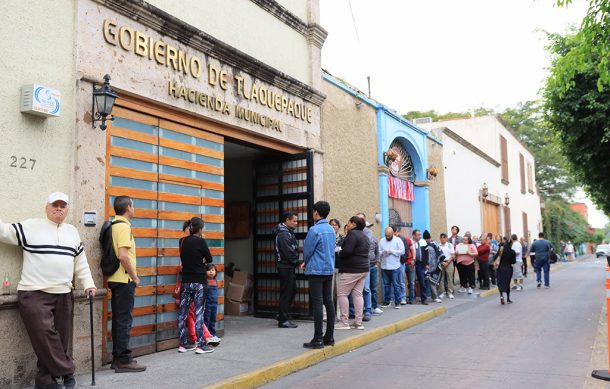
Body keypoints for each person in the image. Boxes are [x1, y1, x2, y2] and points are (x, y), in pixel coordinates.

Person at [0, 192, 97, 389]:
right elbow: (3, 231)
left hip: (63, 292)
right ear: (47, 207)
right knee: (45, 335)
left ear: (67, 209)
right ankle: (67, 370)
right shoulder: (32, 226)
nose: (59, 208)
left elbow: (81, 262)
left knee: (59, 340)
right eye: (55, 205)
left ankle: (45, 382)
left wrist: (89, 283)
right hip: (33, 292)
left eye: (63, 205)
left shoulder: (72, 232)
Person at [107, 196, 147, 372]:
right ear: (128, 207)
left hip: (116, 279)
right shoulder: (123, 227)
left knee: (119, 320)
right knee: (124, 320)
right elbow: (123, 256)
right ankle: (123, 360)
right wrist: (135, 277)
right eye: (133, 205)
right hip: (124, 279)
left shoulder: (114, 225)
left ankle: (117, 358)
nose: (134, 208)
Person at [177, 216, 214, 354]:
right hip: (199, 281)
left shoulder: (182, 241)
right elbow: (209, 258)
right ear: (200, 229)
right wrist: (200, 260)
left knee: (182, 313)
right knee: (199, 312)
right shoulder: (201, 242)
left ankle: (183, 344)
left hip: (186, 281)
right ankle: (200, 345)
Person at [303, 201, 336, 349]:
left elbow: (308, 250)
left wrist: (305, 262)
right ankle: (329, 336)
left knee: (317, 303)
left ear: (316, 212)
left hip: (316, 270)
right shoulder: (330, 229)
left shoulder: (314, 230)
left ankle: (317, 338)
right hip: (328, 269)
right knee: (328, 301)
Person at [336, 216, 370, 330]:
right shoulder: (364, 235)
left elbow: (348, 250)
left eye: (349, 223)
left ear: (353, 224)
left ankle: (344, 322)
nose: (347, 225)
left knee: (342, 294)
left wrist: (340, 252)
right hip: (363, 269)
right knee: (357, 295)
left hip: (351, 269)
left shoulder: (352, 234)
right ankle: (358, 322)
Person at [274, 212, 300, 329]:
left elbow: (292, 248)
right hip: (285, 266)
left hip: (288, 266)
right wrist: (297, 262)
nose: (296, 223)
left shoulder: (287, 232)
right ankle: (283, 320)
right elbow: (288, 252)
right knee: (287, 293)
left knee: (292, 290)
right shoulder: (284, 233)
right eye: (294, 221)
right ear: (287, 220)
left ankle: (282, 314)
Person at [380, 227, 405, 308]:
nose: (387, 237)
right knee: (386, 285)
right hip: (384, 266)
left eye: (389, 235)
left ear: (392, 233)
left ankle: (397, 302)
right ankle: (387, 301)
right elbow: (379, 252)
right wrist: (383, 252)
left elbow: (402, 251)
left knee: (396, 285)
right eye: (386, 235)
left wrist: (392, 251)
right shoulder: (382, 240)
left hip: (395, 266)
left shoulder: (398, 240)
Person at [396, 228, 416, 304]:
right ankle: (402, 298)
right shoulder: (393, 241)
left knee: (411, 282)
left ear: (398, 232)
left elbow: (412, 250)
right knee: (401, 281)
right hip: (401, 264)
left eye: (395, 233)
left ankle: (412, 298)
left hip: (410, 263)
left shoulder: (407, 240)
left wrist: (413, 259)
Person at [421, 230, 442, 303]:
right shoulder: (422, 244)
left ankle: (435, 297)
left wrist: (440, 262)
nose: (427, 240)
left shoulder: (434, 244)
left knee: (433, 282)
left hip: (434, 266)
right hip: (423, 266)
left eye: (428, 238)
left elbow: (440, 253)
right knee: (423, 282)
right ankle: (424, 298)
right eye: (426, 239)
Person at [494, 238, 516, 305]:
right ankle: (508, 299)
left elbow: (495, 257)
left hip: (500, 269)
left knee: (500, 282)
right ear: (511, 244)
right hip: (508, 269)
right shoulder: (512, 251)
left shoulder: (501, 250)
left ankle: (501, 296)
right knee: (507, 283)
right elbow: (513, 262)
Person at [392, 226, 411, 305]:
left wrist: (402, 261)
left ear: (396, 232)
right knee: (394, 281)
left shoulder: (402, 239)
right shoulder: (389, 240)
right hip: (392, 264)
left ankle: (403, 298)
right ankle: (395, 298)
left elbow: (406, 251)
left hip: (400, 263)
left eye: (392, 232)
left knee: (401, 281)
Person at [413, 229, 432, 304]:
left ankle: (424, 298)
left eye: (420, 235)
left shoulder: (423, 242)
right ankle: (412, 298)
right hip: (413, 264)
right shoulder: (411, 242)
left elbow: (426, 253)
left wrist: (426, 264)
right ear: (414, 235)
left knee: (422, 281)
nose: (420, 236)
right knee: (411, 282)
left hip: (421, 264)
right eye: (418, 235)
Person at [203, 263, 221, 343]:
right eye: (209, 270)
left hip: (214, 303)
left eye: (213, 270)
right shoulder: (205, 281)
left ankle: (213, 334)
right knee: (206, 319)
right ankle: (206, 336)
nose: (211, 272)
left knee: (213, 319)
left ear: (216, 272)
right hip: (207, 304)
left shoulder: (215, 281)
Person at [437, 233, 455, 299]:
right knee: (441, 278)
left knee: (449, 278)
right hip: (441, 263)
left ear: (447, 238)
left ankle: (450, 292)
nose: (442, 239)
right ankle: (442, 292)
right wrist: (442, 262)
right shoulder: (438, 246)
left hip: (449, 262)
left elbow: (452, 255)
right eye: (441, 237)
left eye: (444, 237)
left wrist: (447, 262)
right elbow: (437, 255)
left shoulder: (450, 245)